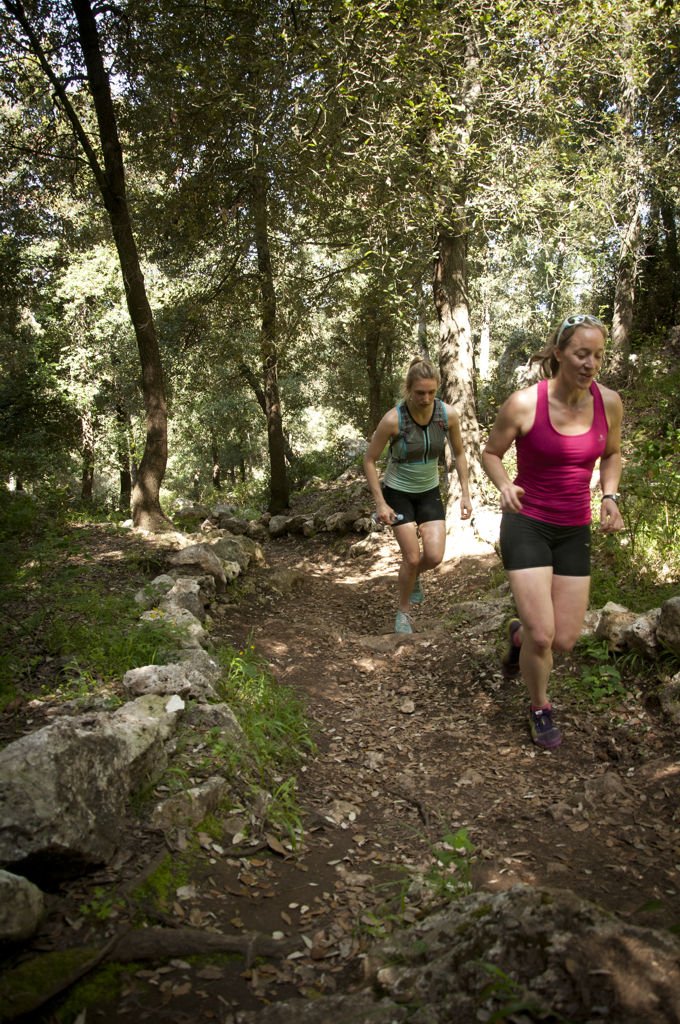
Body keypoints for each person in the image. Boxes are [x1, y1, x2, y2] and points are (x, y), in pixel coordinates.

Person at [482, 314, 625, 750]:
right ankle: (540, 706)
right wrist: (505, 484)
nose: (590, 363)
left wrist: (610, 496)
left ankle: (519, 635)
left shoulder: (610, 402)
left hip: (573, 526)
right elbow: (491, 453)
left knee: (562, 639)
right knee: (544, 635)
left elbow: (613, 454)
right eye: (582, 353)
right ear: (560, 352)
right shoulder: (525, 403)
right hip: (527, 522)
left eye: (598, 355)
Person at [364, 356, 472, 634]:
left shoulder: (447, 415)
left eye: (432, 392)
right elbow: (369, 460)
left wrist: (465, 494)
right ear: (408, 390)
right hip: (398, 493)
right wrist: (380, 502)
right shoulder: (393, 419)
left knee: (434, 557)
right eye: (420, 393)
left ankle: (411, 578)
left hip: (429, 492)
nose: (426, 398)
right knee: (412, 558)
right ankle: (403, 613)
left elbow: (459, 453)